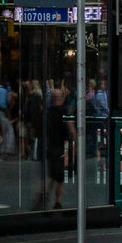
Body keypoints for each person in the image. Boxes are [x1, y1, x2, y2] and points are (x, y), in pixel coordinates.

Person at [36, 82, 75, 210]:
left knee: (54, 175)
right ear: (60, 98)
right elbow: (71, 129)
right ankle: (56, 201)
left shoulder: (47, 112)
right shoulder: (64, 111)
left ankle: (45, 194)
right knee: (60, 177)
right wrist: (77, 141)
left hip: (49, 147)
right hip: (60, 148)